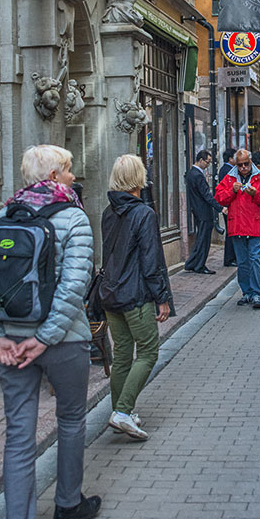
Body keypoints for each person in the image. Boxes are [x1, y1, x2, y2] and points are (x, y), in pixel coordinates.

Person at [0, 145, 100, 519]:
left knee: (20, 437)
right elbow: (74, 286)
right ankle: (67, 503)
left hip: (10, 342)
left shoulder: (2, 217)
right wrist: (45, 338)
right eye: (68, 167)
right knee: (71, 419)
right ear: (56, 174)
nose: (73, 173)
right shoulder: (73, 217)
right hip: (63, 341)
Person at [100, 155, 174, 440]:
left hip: (111, 293)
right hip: (135, 294)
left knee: (121, 355)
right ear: (138, 178)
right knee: (148, 351)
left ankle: (122, 411)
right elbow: (152, 259)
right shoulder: (144, 213)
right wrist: (162, 298)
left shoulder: (109, 212)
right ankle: (123, 410)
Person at [215, 148, 260, 309]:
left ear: (251, 163)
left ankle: (256, 292)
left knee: (255, 259)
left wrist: (256, 193)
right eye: (240, 165)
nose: (243, 168)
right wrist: (232, 191)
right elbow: (219, 198)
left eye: (246, 164)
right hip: (238, 226)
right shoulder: (229, 179)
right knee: (243, 262)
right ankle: (246, 292)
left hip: (256, 225)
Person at [184, 149, 224, 274]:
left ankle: (192, 263)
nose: (208, 165)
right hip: (203, 212)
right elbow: (206, 195)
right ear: (201, 160)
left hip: (197, 210)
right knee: (203, 240)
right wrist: (220, 208)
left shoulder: (191, 173)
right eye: (207, 162)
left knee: (201, 238)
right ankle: (199, 265)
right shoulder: (197, 175)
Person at [219, 148, 237, 267]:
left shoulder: (227, 169)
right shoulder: (227, 171)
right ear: (230, 159)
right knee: (231, 232)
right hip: (228, 205)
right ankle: (229, 259)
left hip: (229, 205)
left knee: (232, 232)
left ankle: (231, 257)